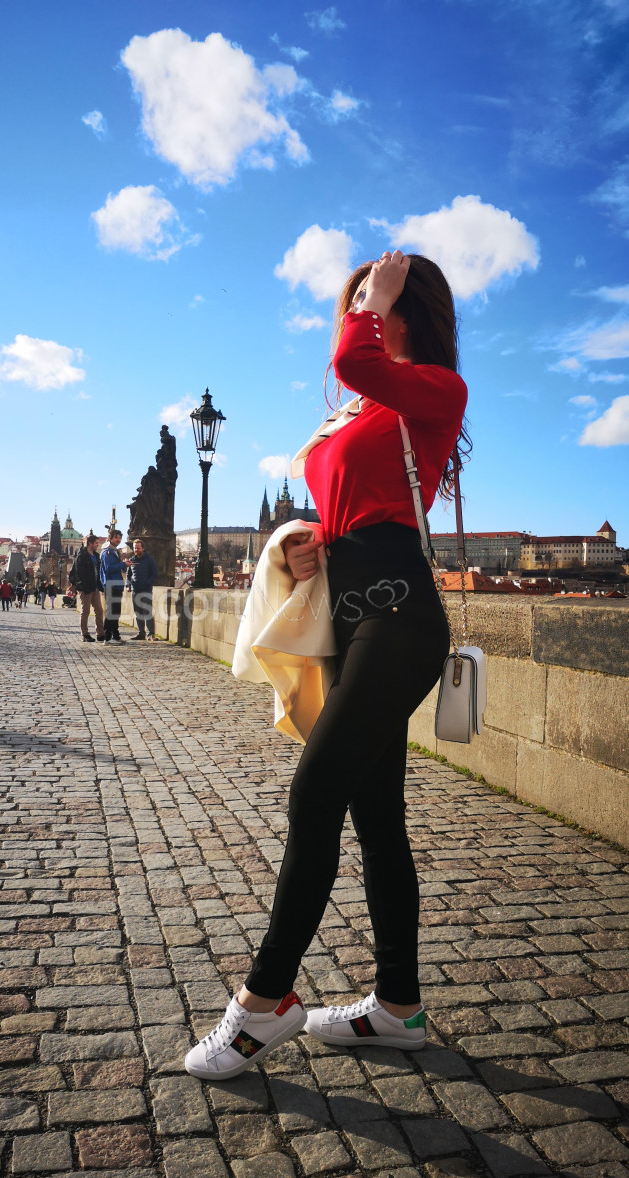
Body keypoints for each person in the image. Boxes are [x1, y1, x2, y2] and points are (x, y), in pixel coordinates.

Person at [184, 251, 469, 1080]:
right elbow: (343, 501)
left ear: (402, 309)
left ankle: (264, 1003)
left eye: (368, 300)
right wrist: (300, 545)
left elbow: (353, 359)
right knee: (378, 818)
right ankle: (398, 1008)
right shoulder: (359, 409)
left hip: (399, 617)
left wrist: (372, 301)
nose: (353, 311)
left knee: (315, 793)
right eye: (354, 302)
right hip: (349, 616)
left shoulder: (434, 389)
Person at [73, 534, 105, 642]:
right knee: (85, 611)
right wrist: (83, 585)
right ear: (90, 543)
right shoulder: (82, 556)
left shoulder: (96, 555)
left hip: (95, 586)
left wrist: (100, 585)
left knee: (99, 610)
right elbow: (78, 573)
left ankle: (100, 633)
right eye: (96, 543)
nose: (97, 545)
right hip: (85, 588)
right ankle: (85, 634)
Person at [126, 538, 158, 641]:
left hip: (146, 589)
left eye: (138, 548)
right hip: (135, 590)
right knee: (138, 612)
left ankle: (150, 634)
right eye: (135, 548)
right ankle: (141, 633)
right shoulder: (131, 560)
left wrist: (147, 583)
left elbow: (154, 574)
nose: (136, 550)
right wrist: (128, 585)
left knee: (147, 612)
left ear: (143, 548)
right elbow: (128, 575)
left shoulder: (149, 559)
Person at [100, 528, 126, 643]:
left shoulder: (114, 551)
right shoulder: (107, 552)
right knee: (111, 611)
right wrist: (123, 564)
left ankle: (116, 635)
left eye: (120, 538)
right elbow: (109, 568)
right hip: (111, 584)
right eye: (116, 537)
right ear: (110, 538)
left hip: (116, 584)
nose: (118, 540)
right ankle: (107, 637)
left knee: (116, 612)